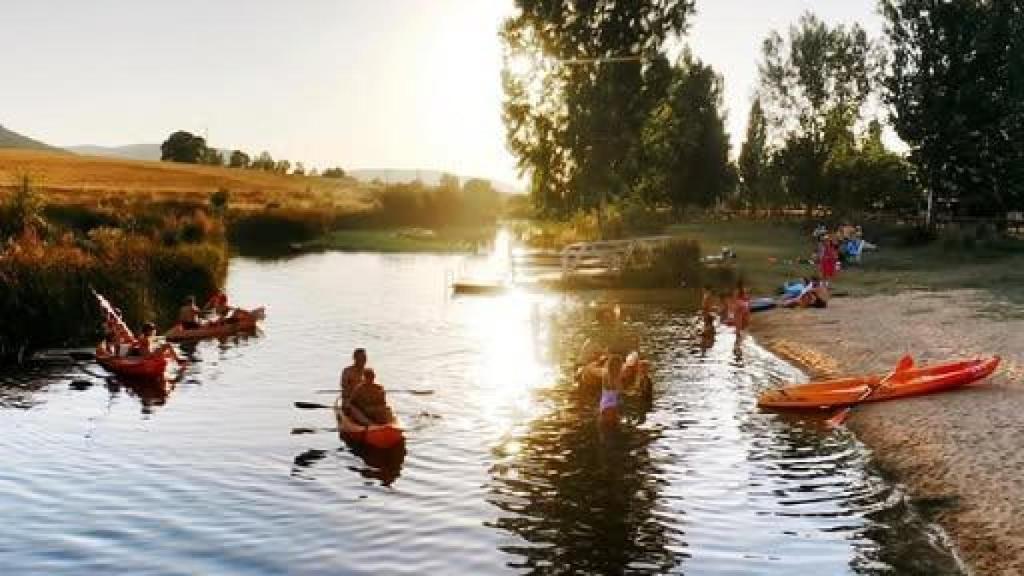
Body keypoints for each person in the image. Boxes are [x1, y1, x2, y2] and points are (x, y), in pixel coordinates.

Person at [340, 348, 374, 424]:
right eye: (361, 358)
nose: (363, 360)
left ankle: (389, 423)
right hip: (349, 400)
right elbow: (344, 386)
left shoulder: (367, 372)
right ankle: (368, 424)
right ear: (355, 358)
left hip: (364, 400)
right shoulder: (347, 371)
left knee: (380, 406)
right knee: (353, 407)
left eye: (364, 358)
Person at [598, 354, 624, 427]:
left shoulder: (617, 376)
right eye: (614, 365)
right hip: (608, 405)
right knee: (609, 427)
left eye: (618, 365)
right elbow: (616, 389)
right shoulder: (607, 375)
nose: (616, 367)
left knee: (613, 428)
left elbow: (619, 391)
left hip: (612, 404)